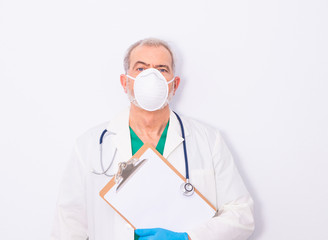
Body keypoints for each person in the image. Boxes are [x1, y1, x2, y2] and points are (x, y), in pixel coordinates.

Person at [51, 38, 255, 240]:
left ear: (174, 85)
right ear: (125, 82)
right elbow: (68, 225)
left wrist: (188, 238)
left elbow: (243, 216)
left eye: (161, 69)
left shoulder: (209, 141)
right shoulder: (90, 146)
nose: (151, 77)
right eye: (141, 69)